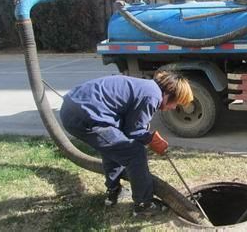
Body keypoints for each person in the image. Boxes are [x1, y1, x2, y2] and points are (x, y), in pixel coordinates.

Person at [59, 71, 193, 216]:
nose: (173, 108)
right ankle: (144, 204)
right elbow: (134, 131)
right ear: (168, 94)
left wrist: (145, 133)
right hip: (85, 118)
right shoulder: (152, 96)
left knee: (116, 146)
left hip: (75, 110)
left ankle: (114, 191)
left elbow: (128, 126)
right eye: (176, 103)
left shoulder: (146, 87)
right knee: (134, 152)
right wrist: (151, 139)